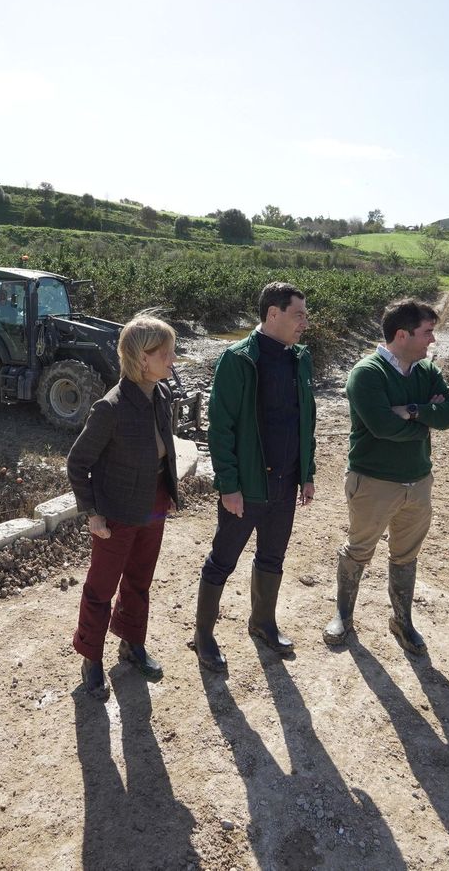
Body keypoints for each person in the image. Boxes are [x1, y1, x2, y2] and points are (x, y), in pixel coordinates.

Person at [323, 299, 449, 653]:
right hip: (373, 482)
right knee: (358, 549)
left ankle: (402, 621)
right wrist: (428, 420)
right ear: (403, 334)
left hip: (418, 482)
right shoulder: (367, 373)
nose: (432, 340)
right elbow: (383, 427)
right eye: (427, 332)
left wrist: (413, 410)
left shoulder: (426, 371)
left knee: (406, 554)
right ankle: (343, 615)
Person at [192, 282, 315, 672]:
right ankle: (203, 636)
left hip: (286, 483)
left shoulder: (300, 359)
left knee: (273, 557)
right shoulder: (238, 359)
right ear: (273, 314)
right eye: (299, 315)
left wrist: (306, 473)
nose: (305, 324)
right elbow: (221, 428)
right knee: (222, 561)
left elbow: (304, 421)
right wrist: (229, 485)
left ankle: (262, 622)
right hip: (247, 488)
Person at [66, 315, 184, 700]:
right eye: (164, 354)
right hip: (115, 513)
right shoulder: (110, 408)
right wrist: (93, 513)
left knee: (139, 579)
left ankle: (131, 644)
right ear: (140, 357)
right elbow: (78, 462)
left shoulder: (162, 396)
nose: (172, 360)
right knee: (101, 587)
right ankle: (91, 657)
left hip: (154, 503)